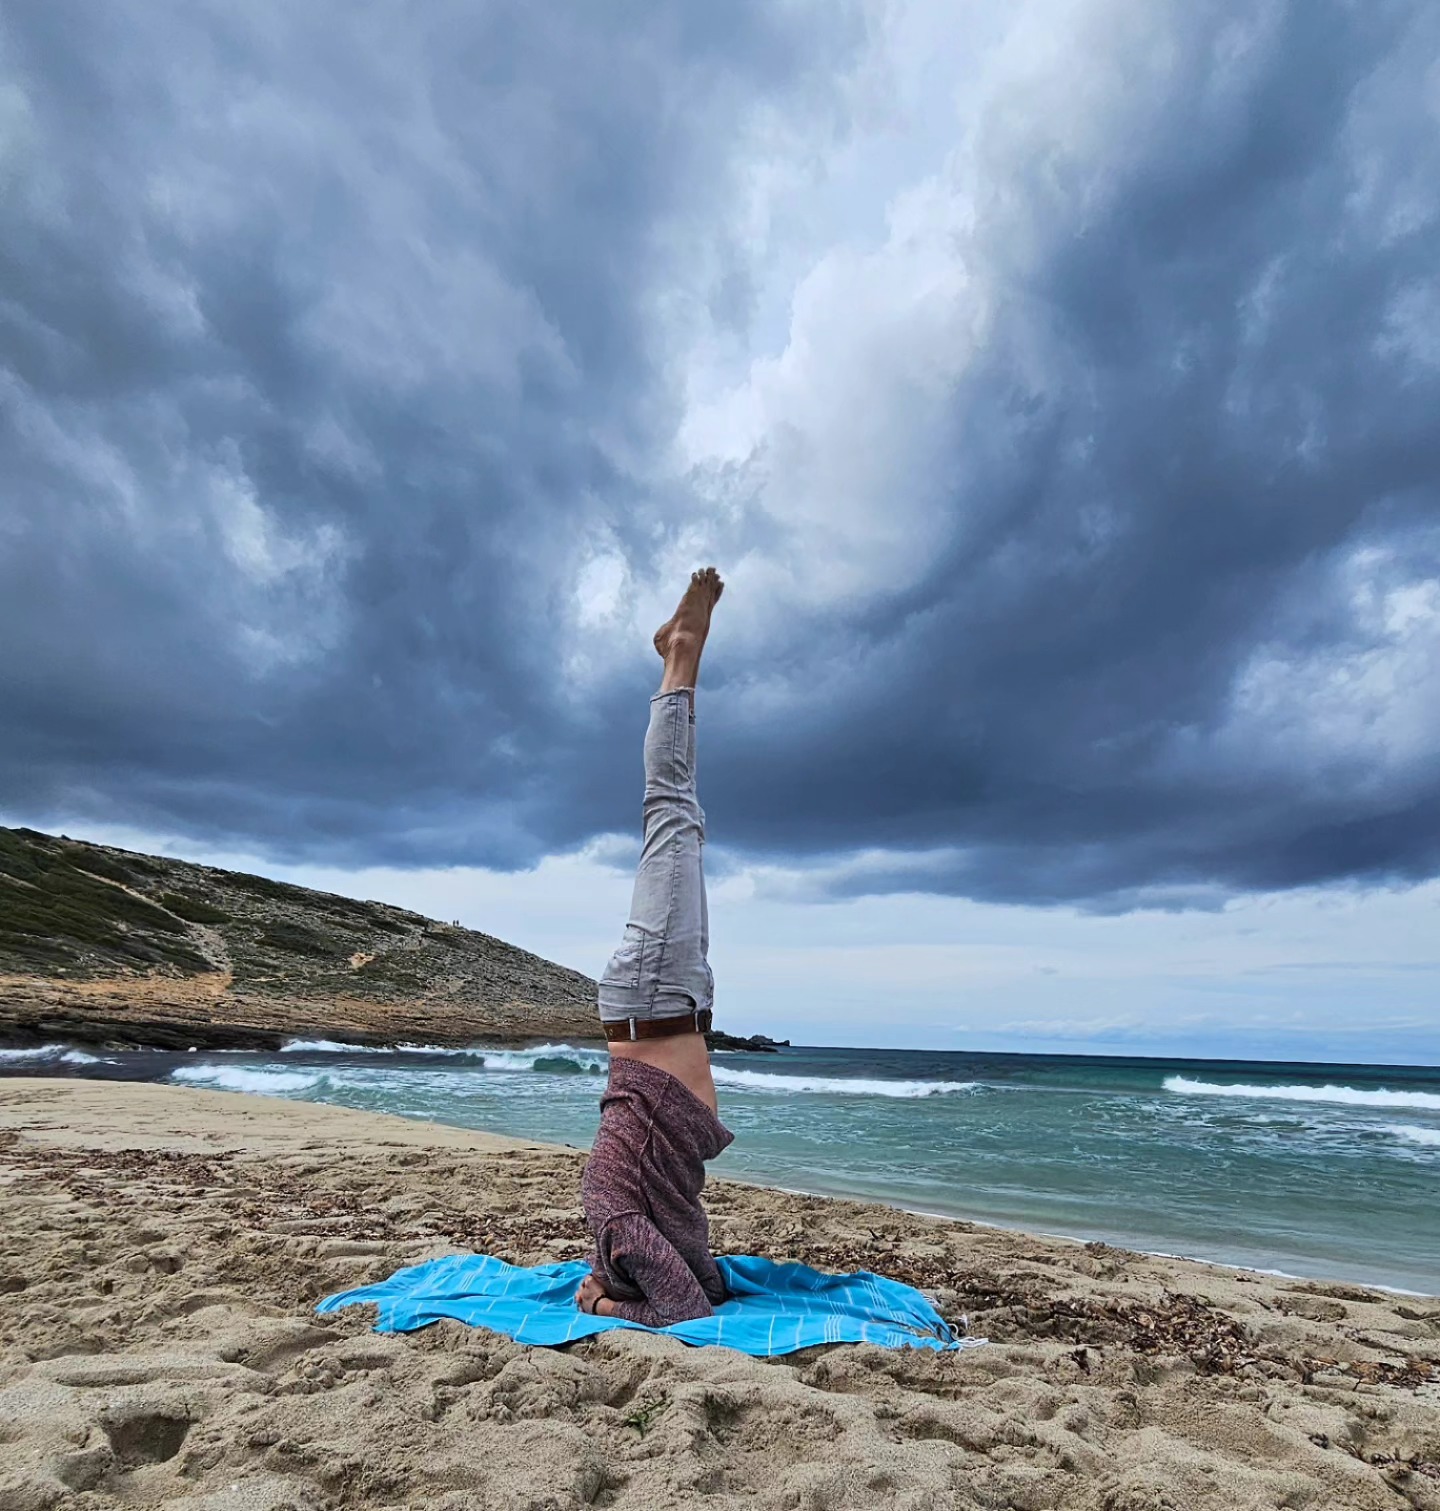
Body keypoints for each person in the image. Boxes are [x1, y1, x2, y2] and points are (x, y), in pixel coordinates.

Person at [576, 567, 734, 1325]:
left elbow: (681, 1312)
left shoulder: (618, 1224)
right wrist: (612, 1287)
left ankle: (679, 657)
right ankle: (676, 658)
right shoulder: (631, 1231)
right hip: (676, 1005)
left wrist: (606, 1302)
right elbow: (703, 1287)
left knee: (672, 810)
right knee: (686, 823)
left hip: (653, 994)